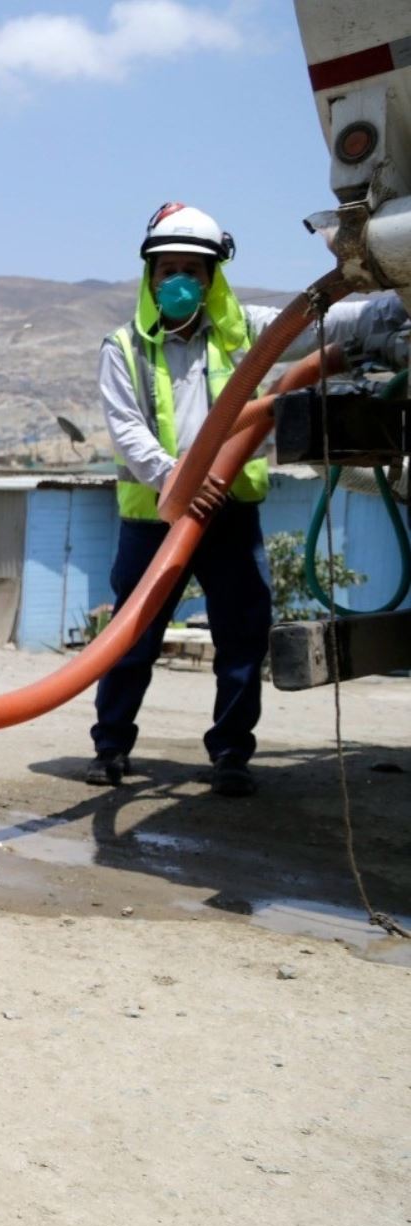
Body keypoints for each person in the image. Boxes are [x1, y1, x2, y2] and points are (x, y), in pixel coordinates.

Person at [88, 202, 405, 795]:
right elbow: (127, 430)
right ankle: (110, 747)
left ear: (212, 279)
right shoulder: (124, 346)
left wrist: (397, 300)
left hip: (230, 515)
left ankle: (231, 753)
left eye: (193, 270)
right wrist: (177, 479)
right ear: (149, 276)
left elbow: (332, 327)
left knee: (242, 637)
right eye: (167, 269)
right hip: (153, 521)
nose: (179, 281)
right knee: (132, 637)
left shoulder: (247, 335)